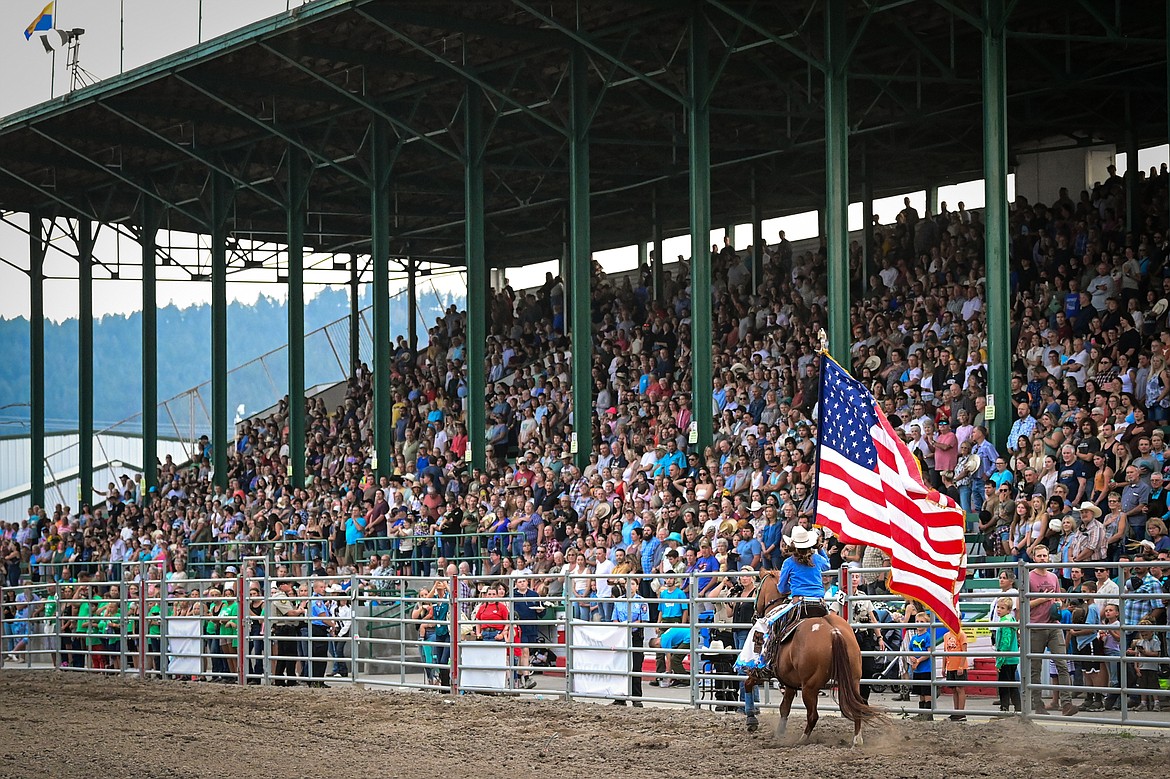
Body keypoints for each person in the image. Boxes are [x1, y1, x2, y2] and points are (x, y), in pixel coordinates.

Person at [1026, 545, 1080, 716]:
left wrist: (1057, 603)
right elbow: (1024, 603)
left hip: (1053, 624)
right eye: (1039, 556)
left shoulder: (1053, 577)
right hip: (1036, 625)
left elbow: (1058, 598)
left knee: (1062, 664)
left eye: (1045, 555)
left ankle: (1066, 703)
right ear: (1034, 558)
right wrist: (1044, 598)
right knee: (1034, 667)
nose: (1043, 558)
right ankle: (1038, 703)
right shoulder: (1028, 576)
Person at [611, 581, 648, 706]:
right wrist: (621, 626)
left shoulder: (642, 601)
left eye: (632, 583)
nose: (630, 586)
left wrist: (629, 626)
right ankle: (619, 697)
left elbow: (643, 620)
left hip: (635, 636)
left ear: (637, 586)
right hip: (621, 636)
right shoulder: (618, 600)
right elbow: (614, 618)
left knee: (636, 667)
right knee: (620, 666)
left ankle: (636, 698)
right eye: (628, 583)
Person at [992, 597, 1021, 712]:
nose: (999, 610)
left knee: (1004, 685)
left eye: (1002, 608)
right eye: (998, 607)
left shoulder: (1005, 622)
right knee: (1012, 683)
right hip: (1012, 657)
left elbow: (1005, 642)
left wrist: (999, 661)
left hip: (1006, 658)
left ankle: (1004, 708)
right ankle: (1017, 707)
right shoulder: (1011, 620)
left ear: (1009, 610)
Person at [942, 625, 968, 720]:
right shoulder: (946, 636)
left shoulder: (961, 634)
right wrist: (943, 667)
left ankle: (961, 712)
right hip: (950, 666)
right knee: (954, 689)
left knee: (960, 688)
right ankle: (956, 711)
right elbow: (945, 652)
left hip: (959, 666)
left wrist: (961, 666)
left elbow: (964, 651)